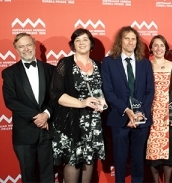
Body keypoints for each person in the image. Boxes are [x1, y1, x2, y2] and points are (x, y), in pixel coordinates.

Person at [50, 28, 105, 183]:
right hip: (71, 120)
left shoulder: (98, 65)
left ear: (91, 43)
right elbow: (56, 94)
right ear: (73, 44)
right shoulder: (65, 63)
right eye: (77, 40)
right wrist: (82, 103)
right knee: (73, 159)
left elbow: (102, 92)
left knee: (89, 159)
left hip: (93, 122)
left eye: (85, 39)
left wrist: (102, 103)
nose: (81, 43)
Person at [101, 26, 154, 183]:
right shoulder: (109, 62)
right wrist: (126, 111)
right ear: (120, 41)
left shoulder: (144, 63)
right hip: (119, 118)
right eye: (127, 38)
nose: (130, 42)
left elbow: (150, 91)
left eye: (133, 38)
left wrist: (139, 113)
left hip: (141, 119)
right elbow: (108, 91)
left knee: (138, 158)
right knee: (120, 158)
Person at [2, 33, 55, 182]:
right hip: (24, 133)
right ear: (16, 50)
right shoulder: (9, 73)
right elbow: (10, 101)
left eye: (28, 45)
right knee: (28, 176)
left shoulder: (50, 69)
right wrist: (37, 116)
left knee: (48, 174)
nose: (26, 49)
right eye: (21, 46)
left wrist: (46, 114)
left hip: (47, 131)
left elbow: (55, 97)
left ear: (34, 45)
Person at [145, 35, 172, 183]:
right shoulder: (146, 65)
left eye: (162, 45)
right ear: (151, 48)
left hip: (168, 112)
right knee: (152, 151)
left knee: (170, 152)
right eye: (155, 45)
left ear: (166, 48)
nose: (159, 48)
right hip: (150, 112)